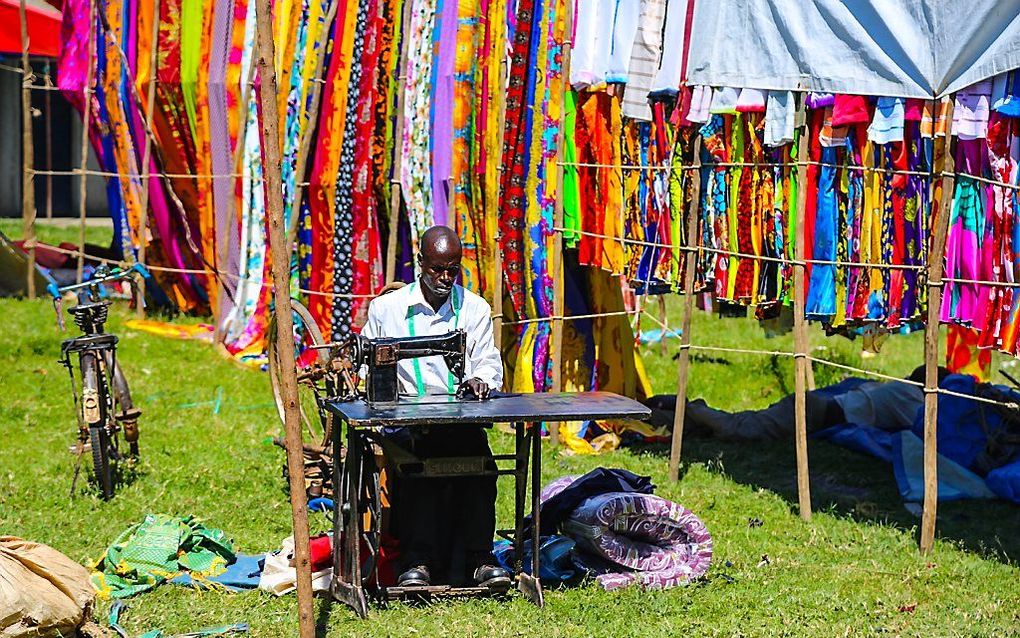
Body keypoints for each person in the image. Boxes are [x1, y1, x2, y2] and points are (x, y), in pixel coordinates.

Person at [361, 225, 510, 590]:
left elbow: (488, 363)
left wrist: (480, 381)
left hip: (459, 420)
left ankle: (480, 559)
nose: (445, 278)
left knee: (482, 469)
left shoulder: (474, 308)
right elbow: (367, 367)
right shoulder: (387, 310)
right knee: (419, 468)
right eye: (437, 269)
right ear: (420, 263)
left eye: (453, 270)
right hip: (405, 422)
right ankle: (418, 562)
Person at [684, 365, 949, 441]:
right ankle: (692, 409)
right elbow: (923, 430)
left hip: (817, 408)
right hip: (815, 412)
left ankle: (694, 416)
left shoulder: (901, 389)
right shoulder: (908, 396)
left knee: (743, 424)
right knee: (739, 428)